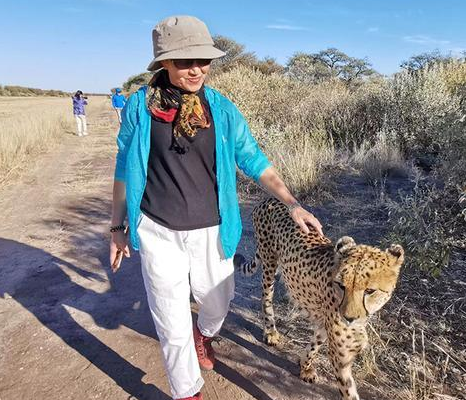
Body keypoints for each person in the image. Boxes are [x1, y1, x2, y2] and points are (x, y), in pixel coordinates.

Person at [108, 15, 323, 400]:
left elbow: (254, 159)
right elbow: (124, 167)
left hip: (212, 228)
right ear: (164, 64)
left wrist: (292, 203)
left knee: (217, 302)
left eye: (203, 60)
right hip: (157, 230)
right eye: (185, 62)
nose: (196, 70)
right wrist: (117, 226)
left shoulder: (221, 109)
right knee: (170, 322)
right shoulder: (139, 109)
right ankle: (187, 391)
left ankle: (204, 335)